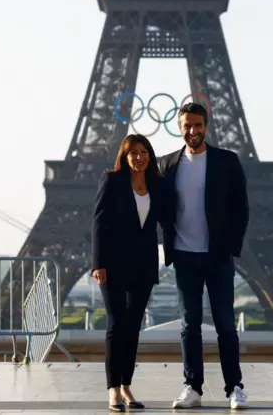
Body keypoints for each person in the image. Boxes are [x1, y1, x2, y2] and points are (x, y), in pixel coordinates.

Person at [158, 102, 250, 410]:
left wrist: (230, 247)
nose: (193, 131)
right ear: (179, 126)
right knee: (190, 324)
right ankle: (192, 386)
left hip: (218, 255)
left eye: (198, 125)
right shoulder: (167, 164)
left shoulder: (226, 161)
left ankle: (234, 386)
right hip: (184, 255)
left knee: (225, 324)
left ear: (206, 126)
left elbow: (241, 208)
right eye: (187, 125)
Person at [91, 134, 164, 412]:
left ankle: (126, 386)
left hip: (144, 264)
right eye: (133, 152)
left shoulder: (157, 185)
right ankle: (112, 389)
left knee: (133, 327)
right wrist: (98, 263)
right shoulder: (112, 181)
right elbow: (98, 222)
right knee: (116, 323)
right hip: (113, 263)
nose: (139, 156)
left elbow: (167, 221)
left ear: (150, 155)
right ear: (124, 156)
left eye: (144, 151)